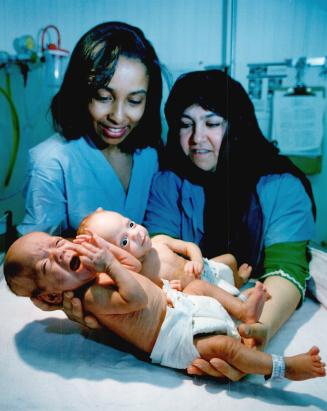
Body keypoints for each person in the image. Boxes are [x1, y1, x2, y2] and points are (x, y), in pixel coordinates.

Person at [142, 70, 316, 379]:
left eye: (211, 123)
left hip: (255, 304)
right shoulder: (168, 182)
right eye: (185, 125)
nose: (197, 139)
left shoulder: (282, 186)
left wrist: (255, 332)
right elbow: (159, 258)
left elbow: (286, 271)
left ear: (236, 126)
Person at [4, 232, 325, 383]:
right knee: (224, 347)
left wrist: (108, 253)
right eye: (47, 266)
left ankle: (243, 311)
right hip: (173, 338)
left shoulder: (99, 271)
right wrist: (109, 266)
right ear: (48, 298)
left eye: (58, 243)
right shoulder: (90, 298)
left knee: (199, 286)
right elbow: (137, 298)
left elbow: (134, 268)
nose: (59, 254)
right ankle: (282, 367)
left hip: (178, 305)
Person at [17, 21, 163, 238]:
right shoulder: (51, 162)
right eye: (104, 97)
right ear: (80, 93)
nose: (118, 116)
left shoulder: (149, 156)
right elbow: (34, 256)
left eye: (134, 100)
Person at [77, 209, 253, 293]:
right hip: (195, 289)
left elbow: (189, 246)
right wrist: (171, 290)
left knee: (230, 259)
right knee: (224, 297)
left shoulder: (158, 241)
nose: (136, 234)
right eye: (124, 241)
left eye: (130, 224)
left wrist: (196, 260)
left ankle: (238, 280)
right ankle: (237, 294)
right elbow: (158, 295)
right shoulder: (138, 274)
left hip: (206, 268)